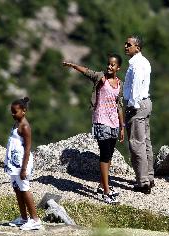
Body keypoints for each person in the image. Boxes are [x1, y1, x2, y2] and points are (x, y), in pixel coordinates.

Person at [62, 54, 125, 204]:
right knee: (104, 155)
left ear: (118, 68)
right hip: (101, 121)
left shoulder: (119, 83)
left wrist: (122, 127)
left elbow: (119, 106)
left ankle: (102, 185)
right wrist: (72, 65)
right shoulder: (100, 78)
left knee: (109, 155)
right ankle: (106, 192)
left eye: (113, 65)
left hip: (114, 123)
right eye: (108, 64)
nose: (109, 67)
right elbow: (87, 71)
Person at [123, 35, 154, 194]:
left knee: (136, 143)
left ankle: (143, 182)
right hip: (146, 102)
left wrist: (131, 106)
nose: (126, 46)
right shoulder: (144, 61)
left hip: (137, 105)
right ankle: (149, 176)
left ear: (137, 47)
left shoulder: (136, 65)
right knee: (146, 141)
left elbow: (135, 87)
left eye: (129, 44)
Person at [4, 97, 41, 230]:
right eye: (12, 112)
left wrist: (24, 168)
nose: (13, 114)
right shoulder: (16, 124)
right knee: (17, 189)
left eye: (15, 112)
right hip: (13, 163)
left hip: (21, 164)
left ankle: (35, 219)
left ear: (24, 111)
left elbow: (27, 148)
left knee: (24, 189)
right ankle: (23, 217)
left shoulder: (25, 126)